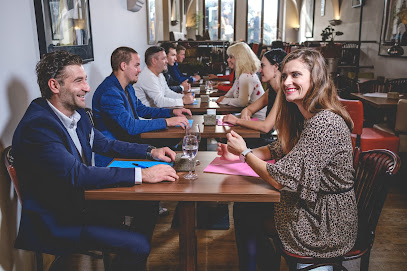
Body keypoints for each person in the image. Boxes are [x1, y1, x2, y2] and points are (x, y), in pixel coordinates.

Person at [12, 50, 179, 270]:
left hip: (80, 202)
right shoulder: (39, 126)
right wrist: (143, 174)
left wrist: (150, 151)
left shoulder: (75, 113)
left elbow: (105, 144)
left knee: (148, 206)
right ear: (54, 86)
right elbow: (77, 174)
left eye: (86, 80)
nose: (87, 88)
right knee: (138, 245)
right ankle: (130, 255)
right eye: (79, 81)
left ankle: (124, 262)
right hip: (58, 218)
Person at [218, 48, 358, 271]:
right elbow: (279, 148)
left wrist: (245, 153)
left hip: (324, 221)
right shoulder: (306, 116)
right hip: (312, 205)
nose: (286, 82)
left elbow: (279, 180)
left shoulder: (325, 123)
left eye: (296, 75)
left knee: (247, 211)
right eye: (284, 76)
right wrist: (238, 153)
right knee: (245, 207)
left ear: (316, 78)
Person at [92, 46, 191, 167]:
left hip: (130, 145)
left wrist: (172, 113)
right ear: (123, 66)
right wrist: (166, 122)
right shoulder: (109, 92)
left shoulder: (127, 87)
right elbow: (130, 126)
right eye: (136, 65)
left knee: (173, 149)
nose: (140, 70)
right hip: (114, 157)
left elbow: (142, 110)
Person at [222, 48, 287, 147]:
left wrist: (237, 121)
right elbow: (248, 109)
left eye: (263, 66)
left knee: (232, 142)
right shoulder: (271, 91)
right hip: (274, 140)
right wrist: (246, 114)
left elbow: (266, 127)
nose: (259, 70)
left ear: (275, 67)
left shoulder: (283, 92)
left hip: (284, 146)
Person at [216, 42, 266, 120]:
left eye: (231, 57)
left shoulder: (245, 76)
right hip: (249, 116)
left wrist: (225, 100)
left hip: (256, 120)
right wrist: (225, 97)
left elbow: (243, 102)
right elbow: (233, 89)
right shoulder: (243, 73)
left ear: (240, 58)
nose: (228, 60)